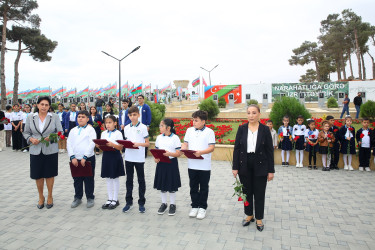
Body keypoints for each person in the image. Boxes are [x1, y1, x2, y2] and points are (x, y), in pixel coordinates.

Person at [232, 104, 274, 232]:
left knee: (259, 193)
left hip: (261, 164)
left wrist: (271, 170)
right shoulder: (242, 128)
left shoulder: (265, 130)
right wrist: (235, 167)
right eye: (249, 113)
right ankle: (249, 215)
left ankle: (259, 218)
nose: (251, 115)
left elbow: (269, 151)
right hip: (244, 163)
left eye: (254, 113)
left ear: (259, 114)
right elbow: (237, 149)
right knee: (247, 192)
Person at [23, 96, 63, 209]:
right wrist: (31, 139)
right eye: (42, 104)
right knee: (38, 174)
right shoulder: (31, 117)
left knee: (50, 174)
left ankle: (50, 196)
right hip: (35, 150)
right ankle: (41, 197)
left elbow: (60, 132)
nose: (44, 107)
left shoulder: (54, 117)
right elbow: (26, 132)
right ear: (37, 105)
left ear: (49, 106)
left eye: (46, 105)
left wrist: (52, 137)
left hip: (50, 149)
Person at [181, 110, 215, 220]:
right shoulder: (189, 130)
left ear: (203, 121)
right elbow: (185, 143)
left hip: (204, 165)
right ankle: (194, 206)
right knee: (193, 186)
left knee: (204, 187)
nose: (193, 122)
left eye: (196, 120)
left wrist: (200, 152)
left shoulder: (209, 132)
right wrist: (183, 149)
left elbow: (211, 148)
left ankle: (203, 207)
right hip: (192, 164)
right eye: (193, 120)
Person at [122, 106, 150, 213]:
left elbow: (147, 143)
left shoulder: (143, 127)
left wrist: (138, 144)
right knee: (129, 180)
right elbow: (126, 140)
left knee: (141, 180)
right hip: (129, 157)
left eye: (134, 115)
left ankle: (141, 202)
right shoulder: (127, 127)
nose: (132, 117)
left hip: (139, 157)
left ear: (138, 115)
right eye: (130, 115)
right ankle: (129, 202)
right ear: (128, 116)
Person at [67, 110, 97, 208]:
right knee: (77, 179)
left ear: (88, 119)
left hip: (88, 159)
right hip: (75, 159)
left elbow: (92, 143)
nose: (80, 118)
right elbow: (69, 143)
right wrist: (72, 157)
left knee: (89, 178)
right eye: (79, 116)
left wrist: (85, 157)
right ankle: (78, 197)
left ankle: (90, 197)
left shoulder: (90, 130)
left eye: (83, 117)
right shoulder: (73, 130)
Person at [153, 119, 182, 216]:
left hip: (171, 163)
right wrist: (156, 158)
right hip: (161, 163)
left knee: (171, 184)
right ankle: (164, 203)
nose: (160, 127)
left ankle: (173, 204)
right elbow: (157, 152)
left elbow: (178, 153)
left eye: (161, 126)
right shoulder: (159, 138)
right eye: (160, 125)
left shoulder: (175, 138)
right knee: (162, 184)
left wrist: (170, 154)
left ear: (168, 128)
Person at [99, 115, 125, 210]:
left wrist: (112, 145)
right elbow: (102, 145)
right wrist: (99, 145)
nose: (108, 125)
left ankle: (115, 199)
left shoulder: (118, 133)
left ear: (115, 123)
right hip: (106, 156)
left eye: (110, 122)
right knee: (108, 177)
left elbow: (120, 147)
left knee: (115, 177)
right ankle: (109, 198)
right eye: (106, 123)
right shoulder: (104, 133)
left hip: (115, 156)